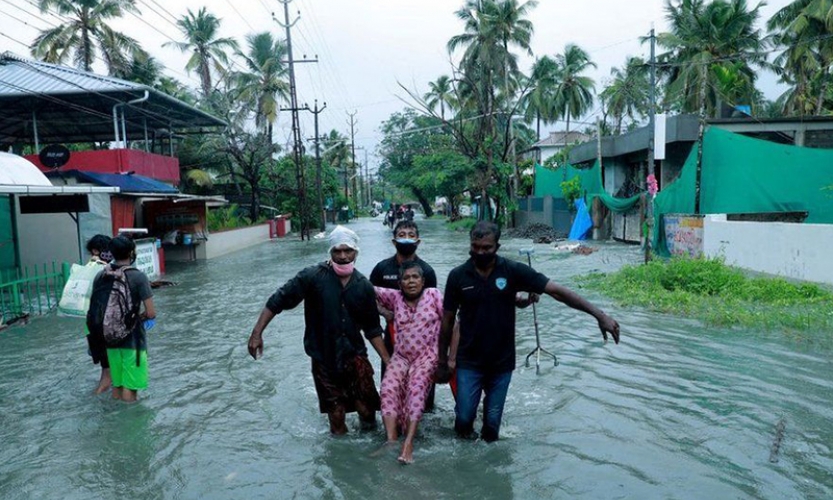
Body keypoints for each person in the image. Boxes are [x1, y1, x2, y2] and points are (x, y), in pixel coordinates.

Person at [436, 221, 620, 442]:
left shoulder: (513, 271)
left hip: (501, 363)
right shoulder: (457, 276)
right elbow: (447, 321)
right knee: (464, 420)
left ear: (498, 246)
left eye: (487, 248)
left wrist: (599, 315)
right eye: (475, 247)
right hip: (469, 361)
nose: (480, 252)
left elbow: (557, 291)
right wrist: (443, 361)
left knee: (492, 429)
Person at [247, 225, 391, 434]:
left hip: (355, 357)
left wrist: (388, 360)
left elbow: (372, 329)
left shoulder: (363, 286)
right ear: (330, 252)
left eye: (347, 251)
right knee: (336, 415)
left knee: (367, 411)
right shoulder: (312, 277)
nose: (342, 256)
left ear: (356, 253)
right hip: (323, 358)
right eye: (337, 251)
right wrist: (256, 333)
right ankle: (342, 461)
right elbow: (278, 300)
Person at [374, 262, 443, 464]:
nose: (411, 281)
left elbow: (450, 322)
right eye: (406, 278)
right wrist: (383, 312)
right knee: (388, 388)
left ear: (422, 281)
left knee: (416, 388)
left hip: (427, 355)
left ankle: (409, 443)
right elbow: (365, 289)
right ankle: (391, 440)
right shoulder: (395, 297)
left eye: (415, 277)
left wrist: (448, 358)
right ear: (400, 283)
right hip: (401, 356)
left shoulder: (433, 295)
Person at [370, 220, 439, 411]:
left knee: (424, 402)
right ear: (394, 241)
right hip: (392, 339)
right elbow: (367, 296)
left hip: (424, 343)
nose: (406, 238)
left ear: (418, 241)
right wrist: (385, 312)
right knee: (391, 390)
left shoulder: (427, 271)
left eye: (411, 234)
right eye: (402, 234)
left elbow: (435, 307)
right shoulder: (382, 269)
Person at [90, 236, 156, 403]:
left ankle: (115, 423)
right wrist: (137, 318)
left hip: (109, 340)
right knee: (131, 388)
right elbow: (151, 313)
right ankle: (131, 425)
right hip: (133, 341)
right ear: (131, 252)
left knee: (117, 386)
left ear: (111, 253)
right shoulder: (138, 277)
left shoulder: (100, 275)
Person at [85, 234, 112, 394]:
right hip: (105, 325)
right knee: (107, 376)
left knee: (108, 371)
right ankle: (96, 404)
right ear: (97, 251)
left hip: (92, 324)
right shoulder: (101, 269)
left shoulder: (87, 269)